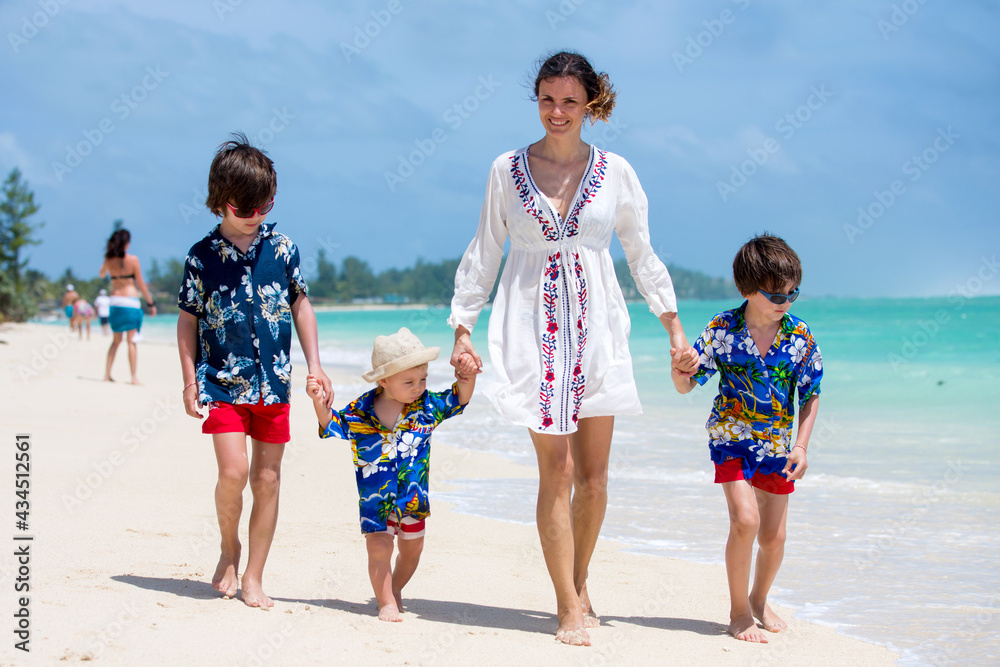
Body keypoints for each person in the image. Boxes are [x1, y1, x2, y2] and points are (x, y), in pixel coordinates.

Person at [449, 51, 698, 646]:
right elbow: (485, 249)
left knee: (595, 477)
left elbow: (641, 253)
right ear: (536, 101)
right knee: (555, 471)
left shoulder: (616, 173)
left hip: (598, 331)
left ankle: (580, 580)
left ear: (590, 105)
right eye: (547, 100)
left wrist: (674, 328)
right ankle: (567, 606)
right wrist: (462, 328)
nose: (556, 112)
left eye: (569, 101)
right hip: (530, 332)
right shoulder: (506, 170)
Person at [176, 133, 333, 609]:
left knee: (267, 479)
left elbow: (300, 303)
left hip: (274, 383)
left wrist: (316, 365)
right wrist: (188, 380)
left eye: (266, 204)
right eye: (247, 208)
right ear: (222, 203)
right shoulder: (200, 258)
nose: (258, 215)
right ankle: (229, 547)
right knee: (233, 473)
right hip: (221, 384)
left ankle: (255, 576)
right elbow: (188, 321)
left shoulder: (282, 249)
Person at [671, 234, 823, 643]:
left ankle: (758, 599)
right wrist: (679, 371)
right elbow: (688, 385)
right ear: (746, 290)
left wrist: (802, 446)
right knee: (746, 521)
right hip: (731, 438)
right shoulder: (723, 329)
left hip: (778, 445)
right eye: (775, 293)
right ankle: (738, 613)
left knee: (774, 537)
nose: (785, 301)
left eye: (793, 293)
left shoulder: (801, 337)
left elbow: (810, 395)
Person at [306, 327, 477, 622]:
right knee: (379, 548)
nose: (418, 387)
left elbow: (458, 399)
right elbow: (333, 424)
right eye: (409, 381)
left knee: (412, 551)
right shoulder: (361, 411)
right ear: (384, 381)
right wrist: (318, 401)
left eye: (423, 379)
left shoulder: (427, 407)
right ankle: (385, 602)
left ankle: (394, 588)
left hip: (413, 500)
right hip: (375, 501)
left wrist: (467, 376)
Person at [99, 229, 157, 383]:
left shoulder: (109, 259)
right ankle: (133, 377)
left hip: (115, 302)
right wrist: (150, 303)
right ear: (126, 243)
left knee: (116, 341)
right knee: (131, 341)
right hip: (131, 302)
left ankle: (106, 375)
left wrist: (108, 262)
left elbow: (101, 274)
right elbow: (141, 284)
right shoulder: (133, 260)